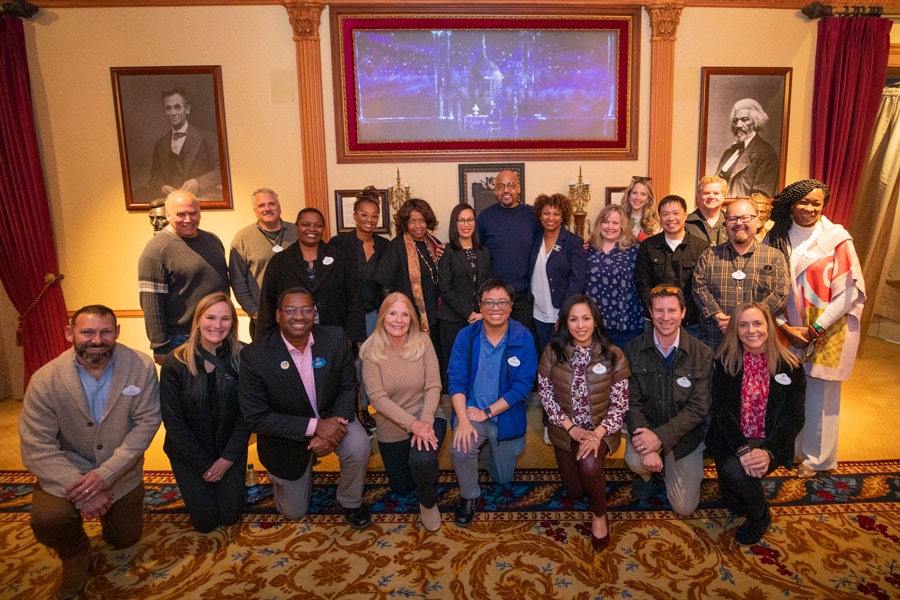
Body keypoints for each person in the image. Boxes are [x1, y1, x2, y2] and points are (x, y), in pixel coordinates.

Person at [19, 305, 161, 599]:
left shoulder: (141, 366)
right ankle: (75, 552)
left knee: (124, 539)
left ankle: (111, 511)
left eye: (105, 331)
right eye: (88, 332)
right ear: (70, 333)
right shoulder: (45, 379)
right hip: (67, 472)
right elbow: (36, 446)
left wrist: (105, 476)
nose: (97, 340)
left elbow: (147, 423)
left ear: (117, 333)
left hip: (121, 472)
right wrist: (84, 489)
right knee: (48, 520)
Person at [238, 287, 372, 527]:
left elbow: (348, 385)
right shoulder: (255, 356)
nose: (298, 316)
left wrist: (336, 426)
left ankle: (350, 500)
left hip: (333, 420)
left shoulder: (334, 338)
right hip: (285, 437)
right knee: (294, 512)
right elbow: (256, 417)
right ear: (278, 314)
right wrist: (315, 427)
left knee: (359, 443)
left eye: (305, 309)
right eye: (290, 310)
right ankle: (300, 472)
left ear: (314, 313)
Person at [765, 179, 865, 478]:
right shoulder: (775, 237)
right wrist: (786, 326)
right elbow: (765, 286)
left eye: (816, 203)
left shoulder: (837, 239)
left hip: (827, 328)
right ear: (791, 204)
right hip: (785, 328)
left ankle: (819, 459)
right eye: (803, 202)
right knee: (789, 390)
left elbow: (849, 290)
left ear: (824, 205)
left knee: (822, 394)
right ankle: (790, 451)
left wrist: (815, 328)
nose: (809, 208)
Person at [707, 302, 806, 545]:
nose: (752, 330)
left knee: (736, 474)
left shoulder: (791, 367)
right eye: (743, 325)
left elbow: (794, 417)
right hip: (732, 440)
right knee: (734, 504)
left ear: (769, 327)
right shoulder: (724, 362)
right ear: (735, 330)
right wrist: (742, 450)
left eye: (758, 323)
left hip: (767, 441)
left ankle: (760, 515)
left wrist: (768, 452)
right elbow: (721, 412)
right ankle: (743, 486)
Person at [537, 295, 630, 552]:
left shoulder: (613, 354)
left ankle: (600, 515)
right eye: (574, 319)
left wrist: (596, 434)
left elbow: (620, 404)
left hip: (600, 431)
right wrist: (572, 428)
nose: (580, 325)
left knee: (589, 465)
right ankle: (589, 483)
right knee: (575, 493)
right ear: (565, 323)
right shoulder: (553, 352)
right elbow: (545, 395)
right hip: (565, 430)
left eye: (586, 318)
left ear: (595, 321)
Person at [448, 279, 537, 527]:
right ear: (480, 305)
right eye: (489, 302)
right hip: (472, 412)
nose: (495, 308)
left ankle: (487, 448)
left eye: (501, 302)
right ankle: (469, 496)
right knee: (462, 445)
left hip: (503, 417)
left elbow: (523, 386)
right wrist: (464, 421)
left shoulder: (523, 337)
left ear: (510, 306)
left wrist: (487, 412)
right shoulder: (466, 337)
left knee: (503, 479)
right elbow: (456, 380)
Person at [160, 292, 250, 533]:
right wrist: (203, 465)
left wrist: (227, 459)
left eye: (225, 319)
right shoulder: (174, 362)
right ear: (198, 320)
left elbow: (247, 415)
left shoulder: (244, 356)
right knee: (205, 523)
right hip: (188, 454)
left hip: (229, 450)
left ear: (233, 323)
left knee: (230, 516)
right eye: (210, 317)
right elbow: (173, 421)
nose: (217, 325)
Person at [624, 286, 713, 517]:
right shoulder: (633, 349)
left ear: (683, 312)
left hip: (684, 438)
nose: (665, 317)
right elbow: (631, 402)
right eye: (659, 311)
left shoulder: (702, 354)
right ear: (651, 313)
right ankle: (645, 475)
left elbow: (698, 409)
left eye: (672, 310)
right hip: (646, 428)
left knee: (684, 508)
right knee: (635, 459)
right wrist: (648, 444)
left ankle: (665, 464)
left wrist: (660, 440)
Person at [360, 293, 445, 532]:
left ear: (412, 318)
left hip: (428, 416)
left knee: (423, 459)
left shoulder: (423, 342)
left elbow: (434, 385)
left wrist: (424, 423)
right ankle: (418, 473)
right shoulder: (370, 350)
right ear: (382, 316)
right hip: (392, 427)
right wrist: (412, 424)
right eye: (393, 313)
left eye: (405, 314)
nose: (399, 320)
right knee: (401, 487)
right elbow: (377, 398)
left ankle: (428, 502)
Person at [138, 189, 229, 364]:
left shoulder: (213, 240)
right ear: (168, 215)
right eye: (181, 214)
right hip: (181, 339)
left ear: (199, 213)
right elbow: (151, 302)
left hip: (219, 333)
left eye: (192, 213)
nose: (188, 219)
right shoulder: (156, 251)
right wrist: (160, 346)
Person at [329, 186, 391, 429]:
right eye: (364, 214)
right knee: (347, 366)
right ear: (354, 215)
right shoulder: (338, 244)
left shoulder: (384, 246)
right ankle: (351, 408)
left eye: (374, 215)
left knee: (369, 365)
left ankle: (366, 408)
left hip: (373, 316)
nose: (369, 219)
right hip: (345, 317)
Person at [256, 207, 365, 343]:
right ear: (297, 227)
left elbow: (354, 301)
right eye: (305, 224)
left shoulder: (340, 258)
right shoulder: (280, 261)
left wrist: (351, 339)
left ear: (323, 229)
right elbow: (268, 304)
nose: (312, 229)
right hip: (292, 337)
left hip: (333, 337)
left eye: (317, 225)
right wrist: (262, 342)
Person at [693, 198, 789, 351]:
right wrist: (718, 316)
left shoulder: (775, 256)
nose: (738, 223)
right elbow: (699, 288)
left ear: (757, 221)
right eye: (732, 218)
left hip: (758, 343)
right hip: (716, 341)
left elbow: (780, 294)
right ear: (726, 223)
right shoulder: (709, 255)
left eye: (745, 218)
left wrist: (747, 321)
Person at [375, 198, 444, 359]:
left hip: (436, 315)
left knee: (434, 359)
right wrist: (395, 317)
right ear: (405, 223)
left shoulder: (434, 243)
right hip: (410, 317)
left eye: (422, 220)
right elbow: (385, 285)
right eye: (412, 221)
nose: (418, 226)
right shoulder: (397, 246)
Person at [228, 188, 298, 338]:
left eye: (271, 204)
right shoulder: (242, 239)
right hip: (262, 317)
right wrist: (253, 310)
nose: (267, 208)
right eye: (261, 205)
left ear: (279, 207)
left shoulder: (297, 232)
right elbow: (237, 280)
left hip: (297, 316)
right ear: (255, 211)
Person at [633, 195, 707, 336]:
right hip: (656, 322)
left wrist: (683, 313)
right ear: (660, 217)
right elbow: (642, 284)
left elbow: (703, 286)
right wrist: (657, 312)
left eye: (675, 213)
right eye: (665, 214)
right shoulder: (648, 246)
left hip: (691, 323)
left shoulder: (701, 247)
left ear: (685, 215)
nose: (670, 218)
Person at [476, 170, 542, 328]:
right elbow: (473, 248)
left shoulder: (532, 215)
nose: (506, 190)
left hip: (524, 296)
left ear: (518, 188)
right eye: (501, 186)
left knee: (521, 342)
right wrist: (445, 248)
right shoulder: (485, 217)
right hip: (495, 296)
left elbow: (548, 241)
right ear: (495, 191)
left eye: (511, 185)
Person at [438, 203, 491, 388]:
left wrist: (482, 313)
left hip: (480, 319)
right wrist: (469, 313)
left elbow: (488, 286)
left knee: (477, 365)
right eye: (461, 220)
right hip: (452, 320)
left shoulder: (484, 252)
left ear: (475, 223)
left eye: (469, 219)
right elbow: (445, 288)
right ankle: (455, 411)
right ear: (455, 223)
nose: (465, 224)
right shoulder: (447, 251)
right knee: (455, 368)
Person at [529, 192, 587, 352]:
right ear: (540, 216)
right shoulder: (535, 240)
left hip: (560, 313)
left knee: (562, 359)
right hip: (537, 313)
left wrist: (564, 313)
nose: (551, 218)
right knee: (543, 357)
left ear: (563, 217)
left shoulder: (573, 242)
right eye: (546, 213)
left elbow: (578, 280)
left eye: (556, 214)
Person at [585, 204, 644, 349]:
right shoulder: (588, 249)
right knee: (596, 368)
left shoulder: (635, 250)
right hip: (594, 321)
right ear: (599, 224)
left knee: (624, 368)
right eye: (605, 222)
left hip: (626, 320)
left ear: (622, 226)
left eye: (615, 223)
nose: (609, 227)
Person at [147, 88, 222, 201]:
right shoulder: (160, 144)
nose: (173, 113)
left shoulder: (208, 138)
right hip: (172, 201)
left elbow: (221, 171)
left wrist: (198, 182)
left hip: (201, 198)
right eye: (168, 108)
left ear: (187, 109)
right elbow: (154, 177)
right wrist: (162, 187)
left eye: (177, 107)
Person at [714, 98, 780, 198]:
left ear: (755, 122)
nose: (738, 125)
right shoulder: (729, 153)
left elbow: (762, 196)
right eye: (735, 121)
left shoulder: (766, 153)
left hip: (743, 212)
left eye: (745, 119)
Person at [685, 176, 729, 247]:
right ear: (698, 196)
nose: (711, 197)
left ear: (724, 197)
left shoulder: (732, 222)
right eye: (706, 193)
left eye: (716, 193)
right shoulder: (685, 223)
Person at [622, 176, 660, 242]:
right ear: (628, 195)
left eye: (643, 194)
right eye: (634, 193)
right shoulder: (619, 219)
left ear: (648, 199)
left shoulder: (655, 225)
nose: (637, 197)